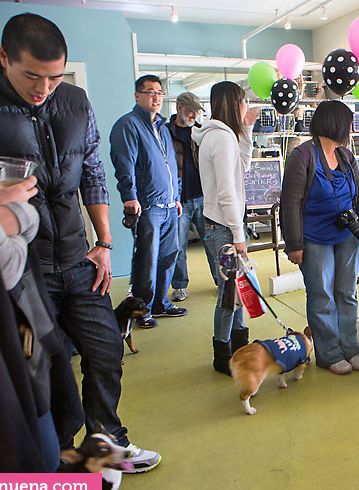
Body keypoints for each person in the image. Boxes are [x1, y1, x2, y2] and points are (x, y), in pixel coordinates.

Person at [0, 13, 160, 470]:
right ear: (3, 58)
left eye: (54, 76)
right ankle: (56, 461)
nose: (43, 88)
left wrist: (104, 243)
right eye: (32, 76)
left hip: (79, 257)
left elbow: (93, 171)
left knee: (106, 351)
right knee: (45, 371)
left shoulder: (74, 99)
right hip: (22, 269)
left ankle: (105, 443)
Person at [280, 100, 359, 375]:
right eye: (348, 122)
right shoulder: (302, 155)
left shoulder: (346, 154)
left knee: (348, 293)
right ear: (335, 123)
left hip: (346, 233)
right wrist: (294, 244)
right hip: (314, 237)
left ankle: (350, 347)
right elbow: (290, 204)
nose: (351, 128)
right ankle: (329, 353)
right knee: (322, 296)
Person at [192, 81, 259, 374]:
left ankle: (238, 345)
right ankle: (223, 354)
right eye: (242, 101)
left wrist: (247, 131)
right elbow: (226, 192)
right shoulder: (219, 138)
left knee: (236, 288)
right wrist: (238, 233)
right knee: (228, 292)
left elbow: (243, 167)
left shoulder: (225, 136)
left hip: (222, 224)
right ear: (233, 103)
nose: (246, 105)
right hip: (223, 227)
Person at [111, 75, 187, 328]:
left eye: (159, 93)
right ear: (137, 96)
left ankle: (160, 305)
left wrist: (176, 198)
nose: (156, 97)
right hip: (147, 206)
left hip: (168, 206)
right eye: (150, 92)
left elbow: (172, 167)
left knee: (168, 256)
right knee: (147, 259)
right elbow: (125, 165)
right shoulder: (128, 125)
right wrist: (129, 197)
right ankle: (141, 309)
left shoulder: (163, 128)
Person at [167, 91, 218, 302]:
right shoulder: (166, 132)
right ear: (179, 107)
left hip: (203, 197)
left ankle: (221, 281)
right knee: (177, 246)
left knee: (212, 243)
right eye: (190, 110)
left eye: (197, 111)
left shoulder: (201, 132)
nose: (194, 115)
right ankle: (179, 286)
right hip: (179, 199)